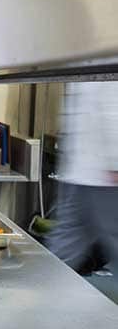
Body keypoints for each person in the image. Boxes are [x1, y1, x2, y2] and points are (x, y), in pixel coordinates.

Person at [45, 82, 118, 274]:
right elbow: (112, 109)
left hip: (79, 170)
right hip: (103, 174)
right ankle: (49, 290)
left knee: (66, 243)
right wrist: (115, 163)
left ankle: (48, 292)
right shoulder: (107, 56)